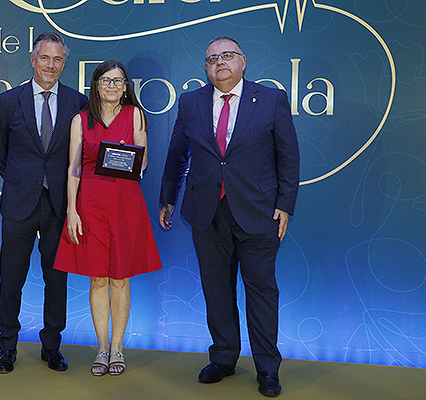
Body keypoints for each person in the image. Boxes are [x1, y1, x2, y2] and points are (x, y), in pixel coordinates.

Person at [159, 36, 300, 397]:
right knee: (217, 291)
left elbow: (288, 156)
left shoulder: (270, 99)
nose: (219, 62)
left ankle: (267, 368)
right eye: (211, 59)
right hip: (207, 213)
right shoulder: (190, 102)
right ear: (205, 68)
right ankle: (223, 357)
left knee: (261, 292)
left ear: (242, 61)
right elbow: (177, 153)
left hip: (259, 213)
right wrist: (167, 199)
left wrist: (285, 204)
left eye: (226, 56)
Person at [53, 60, 162, 376]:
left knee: (120, 278)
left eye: (119, 81)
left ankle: (118, 349)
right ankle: (101, 350)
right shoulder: (80, 120)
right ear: (96, 84)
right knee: (97, 278)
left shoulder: (136, 115)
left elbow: (142, 164)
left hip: (125, 206)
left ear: (126, 86)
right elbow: (74, 169)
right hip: (90, 206)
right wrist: (72, 210)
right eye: (106, 80)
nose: (112, 86)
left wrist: (129, 157)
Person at [0, 32, 88, 374]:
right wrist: (22, 182)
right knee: (11, 278)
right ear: (33, 60)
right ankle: (7, 348)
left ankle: (52, 346)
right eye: (44, 58)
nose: (50, 65)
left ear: (64, 63)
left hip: (59, 207)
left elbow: (82, 156)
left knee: (56, 279)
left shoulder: (78, 103)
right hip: (19, 203)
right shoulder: (7, 101)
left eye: (57, 59)